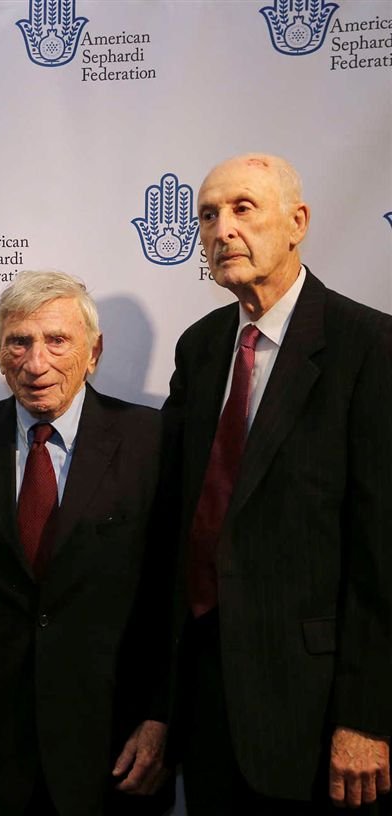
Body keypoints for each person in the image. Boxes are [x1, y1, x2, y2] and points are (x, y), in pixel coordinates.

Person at [166, 153, 392, 813]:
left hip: (318, 709)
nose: (221, 229)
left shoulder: (369, 346)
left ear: (297, 224)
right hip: (207, 702)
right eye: (208, 215)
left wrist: (367, 716)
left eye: (242, 209)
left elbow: (383, 553)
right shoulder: (201, 346)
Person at [0, 271, 173, 816]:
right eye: (19, 342)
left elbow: (173, 595)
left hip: (114, 753)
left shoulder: (153, 443)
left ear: (93, 351)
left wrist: (161, 717)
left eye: (57, 340)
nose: (35, 362)